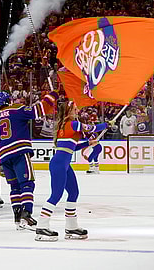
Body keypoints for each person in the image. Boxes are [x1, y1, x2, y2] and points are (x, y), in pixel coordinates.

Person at [35, 101, 104, 241]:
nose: (77, 110)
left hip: (63, 163)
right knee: (56, 195)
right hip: (59, 164)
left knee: (73, 193)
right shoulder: (73, 124)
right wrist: (107, 124)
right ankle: (41, 226)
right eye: (75, 108)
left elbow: (72, 148)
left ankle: (71, 227)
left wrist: (88, 143)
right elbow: (93, 128)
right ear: (69, 111)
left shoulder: (65, 125)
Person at [0, 90, 57, 230]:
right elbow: (39, 110)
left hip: (4, 156)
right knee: (27, 183)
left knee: (14, 187)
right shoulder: (16, 110)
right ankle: (27, 214)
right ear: (9, 101)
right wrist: (51, 96)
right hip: (19, 151)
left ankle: (17, 218)